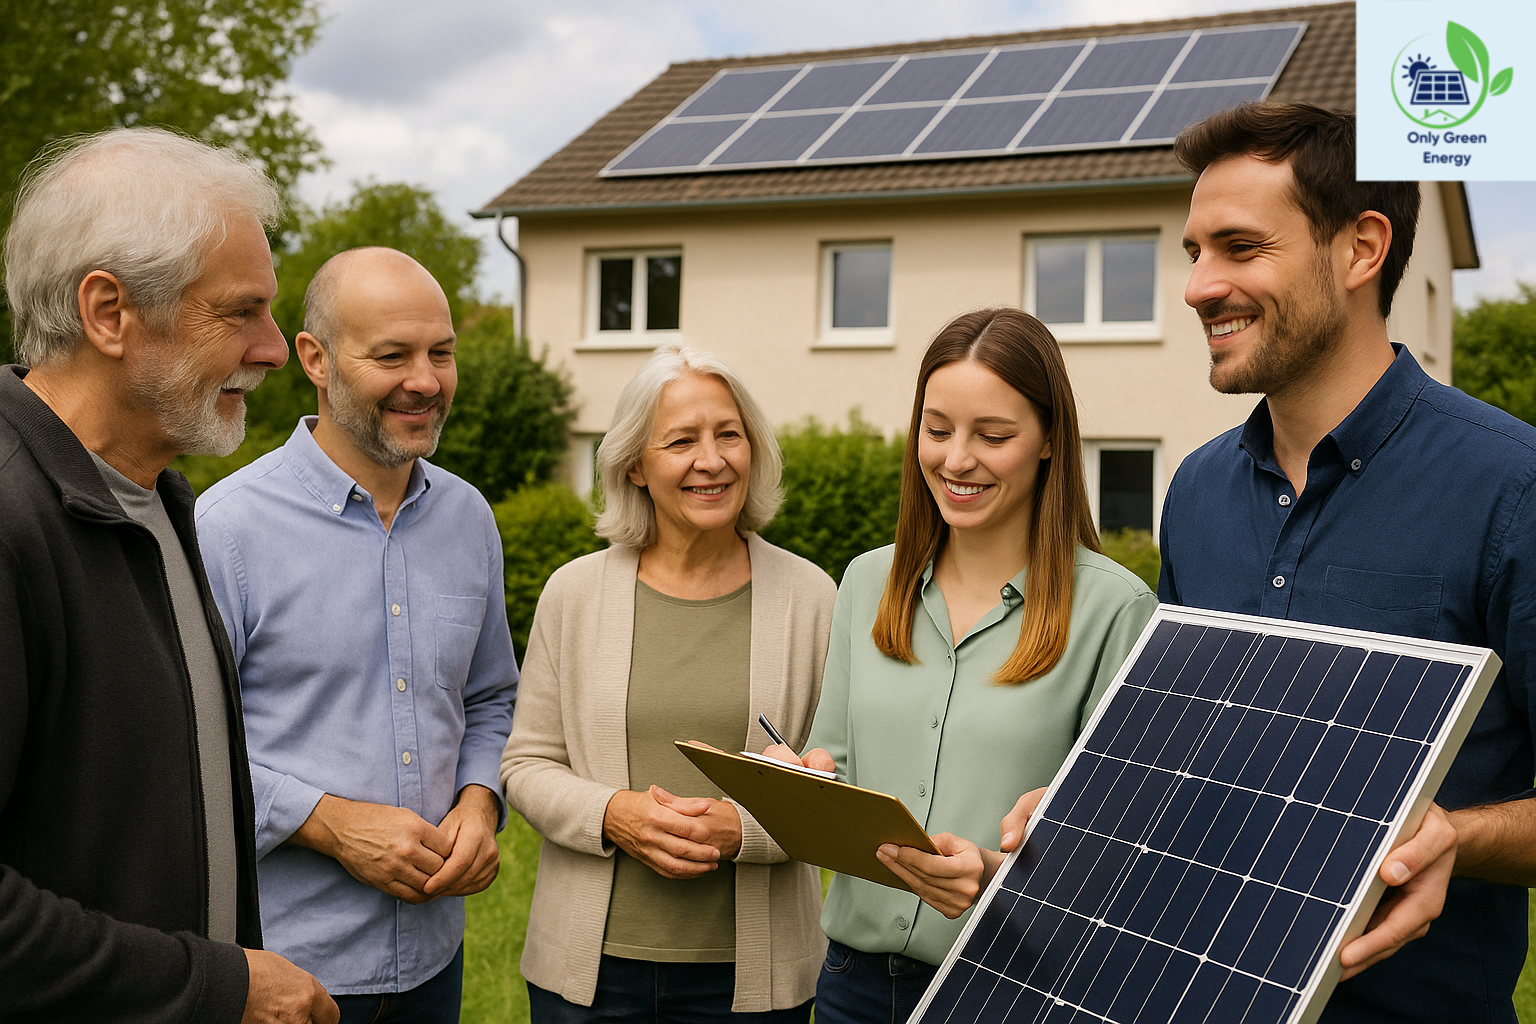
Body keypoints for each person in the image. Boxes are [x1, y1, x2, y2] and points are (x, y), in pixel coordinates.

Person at [1161, 101, 1536, 1023]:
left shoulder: (1512, 489)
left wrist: (1456, 832)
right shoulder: (1195, 493)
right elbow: (1180, 752)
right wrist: (1091, 803)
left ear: (1361, 249)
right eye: (1194, 252)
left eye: (1240, 248)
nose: (1199, 287)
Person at [0, 127, 336, 1023]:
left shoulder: (159, 500)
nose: (275, 348)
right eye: (240, 312)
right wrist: (216, 987)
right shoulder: (10, 518)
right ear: (108, 311)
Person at [771, 308, 1158, 1024]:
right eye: (937, 428)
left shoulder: (1116, 609)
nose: (955, 460)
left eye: (994, 435)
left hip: (1010, 988)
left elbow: (1120, 846)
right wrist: (802, 781)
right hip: (853, 985)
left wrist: (994, 875)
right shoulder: (865, 582)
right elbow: (839, 759)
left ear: (1048, 442)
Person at [195, 247, 519, 1024]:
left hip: (437, 957)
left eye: (441, 353)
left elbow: (489, 696)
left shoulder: (470, 520)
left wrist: (480, 802)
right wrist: (332, 825)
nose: (426, 380)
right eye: (392, 356)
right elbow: (187, 745)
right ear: (316, 358)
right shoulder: (228, 529)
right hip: (288, 970)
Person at [500, 344, 836, 1022]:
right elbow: (525, 765)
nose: (711, 460)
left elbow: (841, 785)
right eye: (681, 441)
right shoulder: (574, 593)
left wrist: (743, 831)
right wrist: (614, 815)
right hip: (589, 979)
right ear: (635, 466)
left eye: (728, 436)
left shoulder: (813, 598)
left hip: (753, 986)